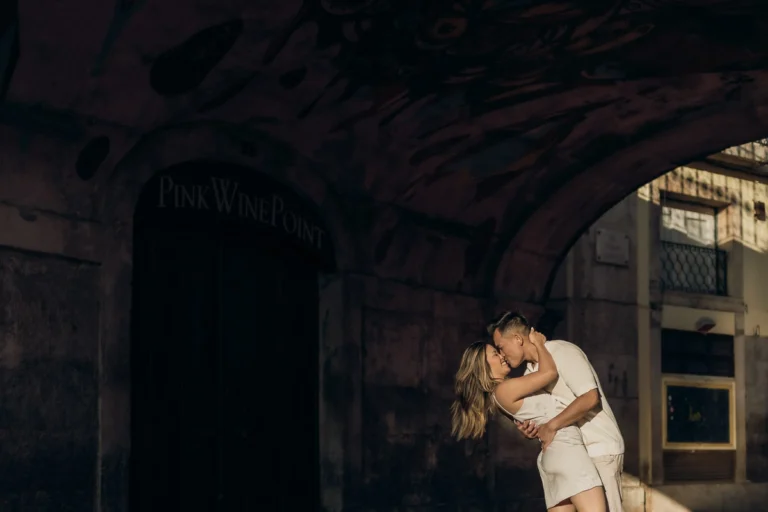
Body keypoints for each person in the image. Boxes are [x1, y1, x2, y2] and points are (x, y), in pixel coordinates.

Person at [450, 330, 607, 512]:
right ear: (483, 367)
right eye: (495, 354)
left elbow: (532, 420)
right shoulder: (504, 390)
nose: (502, 356)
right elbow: (549, 372)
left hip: (552, 455)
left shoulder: (499, 395)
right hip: (567, 450)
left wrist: (529, 430)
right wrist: (539, 343)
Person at [489, 311, 625, 512]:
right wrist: (532, 430)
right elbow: (546, 412)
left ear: (517, 339)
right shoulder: (530, 373)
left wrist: (551, 426)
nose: (502, 355)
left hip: (598, 447)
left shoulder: (562, 351)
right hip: (572, 454)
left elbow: (590, 397)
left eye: (501, 347)